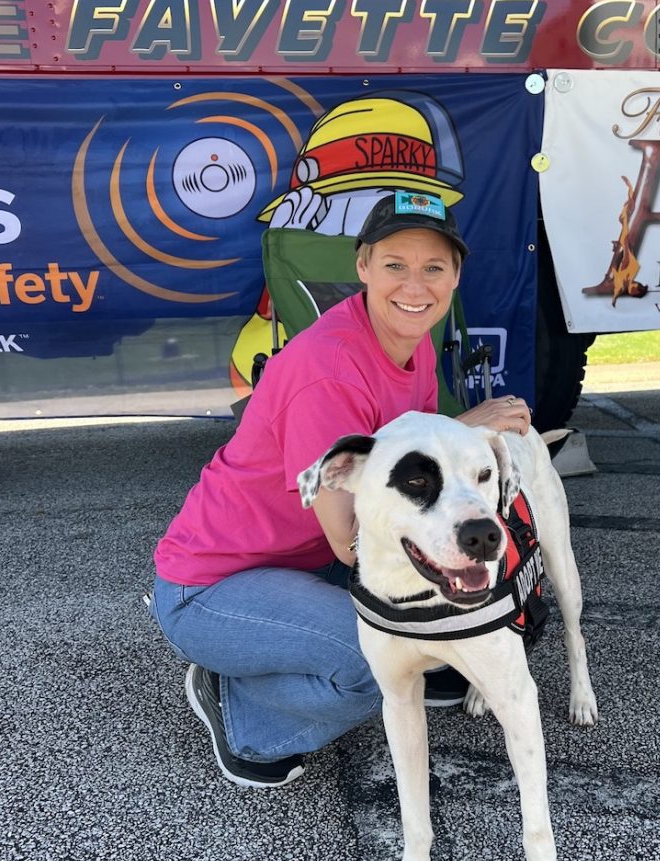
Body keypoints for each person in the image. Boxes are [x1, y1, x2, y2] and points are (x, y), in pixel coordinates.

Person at [147, 191, 531, 789]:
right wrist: (467, 427)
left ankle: (303, 647)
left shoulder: (414, 339)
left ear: (456, 274)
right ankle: (241, 709)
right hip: (212, 586)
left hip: (300, 564)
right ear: (362, 267)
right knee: (371, 664)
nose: (415, 284)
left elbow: (410, 476)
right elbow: (355, 541)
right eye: (394, 265)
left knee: (434, 637)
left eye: (434, 267)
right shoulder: (327, 371)